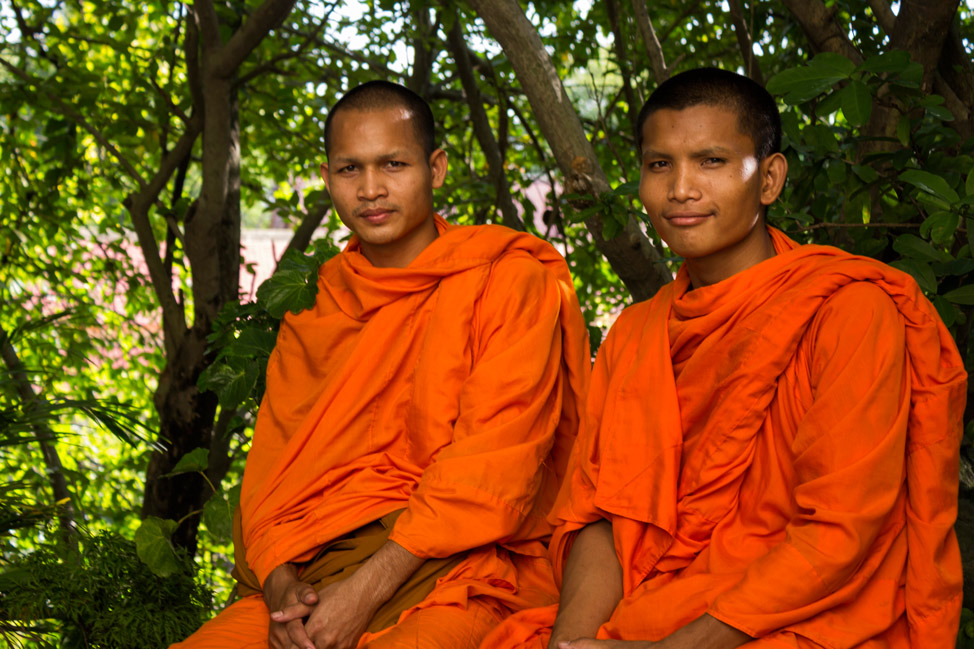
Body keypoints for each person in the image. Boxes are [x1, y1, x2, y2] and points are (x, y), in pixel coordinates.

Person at [481, 68, 966, 649]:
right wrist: (573, 643)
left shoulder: (847, 312)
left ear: (769, 179)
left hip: (805, 617)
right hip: (647, 612)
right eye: (660, 164)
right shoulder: (636, 334)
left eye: (710, 161)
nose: (680, 189)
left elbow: (842, 531)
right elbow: (601, 515)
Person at [171, 79, 590, 649]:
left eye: (393, 164)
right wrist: (280, 590)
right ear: (327, 178)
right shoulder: (316, 304)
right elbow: (270, 475)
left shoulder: (508, 279)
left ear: (436, 168)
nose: (371, 189)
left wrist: (364, 593)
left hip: (463, 569)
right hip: (316, 573)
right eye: (350, 169)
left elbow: (497, 465)